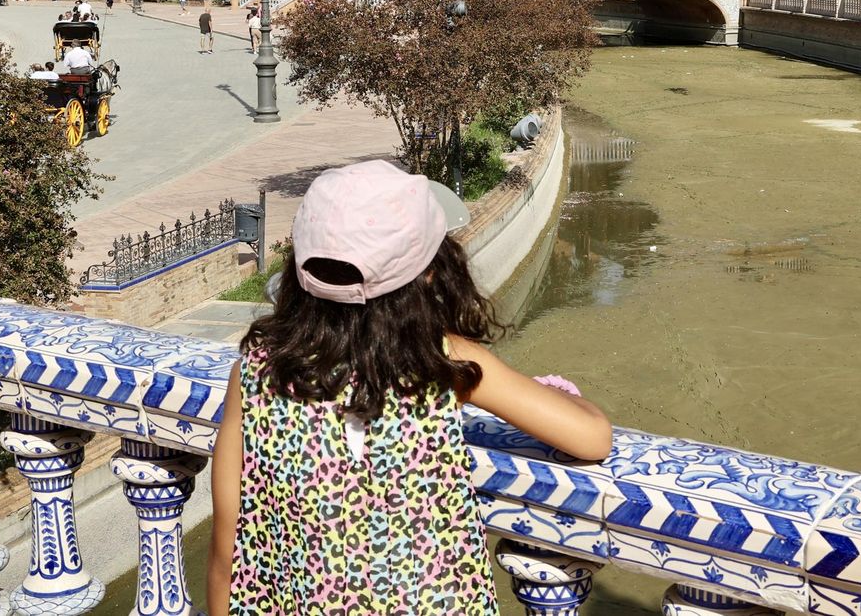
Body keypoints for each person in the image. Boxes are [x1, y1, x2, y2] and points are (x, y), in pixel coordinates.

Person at [206, 160, 611, 615]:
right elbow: (591, 437)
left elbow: (229, 551)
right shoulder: (439, 361)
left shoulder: (260, 370)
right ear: (431, 274)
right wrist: (559, 393)